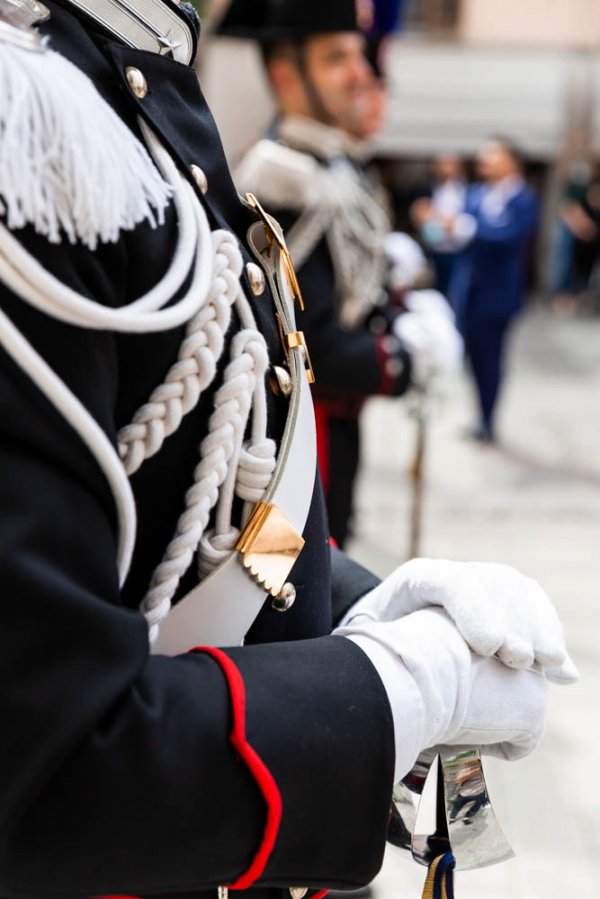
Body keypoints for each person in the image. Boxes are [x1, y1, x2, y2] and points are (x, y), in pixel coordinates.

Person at [0, 3, 576, 899]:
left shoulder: (138, 79)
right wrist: (386, 692)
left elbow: (208, 509)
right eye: (340, 55)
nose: (364, 76)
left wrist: (352, 600)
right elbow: (41, 765)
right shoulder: (32, 112)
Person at [224, 0, 461, 547]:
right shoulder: (280, 177)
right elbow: (304, 346)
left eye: (359, 55)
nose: (361, 73)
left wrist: (398, 309)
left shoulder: (333, 169)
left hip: (336, 431)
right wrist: (399, 361)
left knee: (332, 564)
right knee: (289, 583)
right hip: (291, 443)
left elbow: (351, 294)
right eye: (338, 58)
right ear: (287, 74)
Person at [449, 137, 539, 443]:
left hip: (499, 295)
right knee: (472, 357)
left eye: (492, 155)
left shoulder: (523, 199)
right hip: (470, 291)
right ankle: (480, 416)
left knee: (491, 359)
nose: (484, 161)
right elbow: (461, 238)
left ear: (511, 161)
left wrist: (463, 228)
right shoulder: (475, 195)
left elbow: (507, 238)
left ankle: (488, 419)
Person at [409, 154, 469, 301]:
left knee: (457, 293)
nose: (445, 169)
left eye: (449, 164)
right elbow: (416, 215)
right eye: (441, 164)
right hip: (434, 248)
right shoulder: (425, 188)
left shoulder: (468, 191)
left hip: (459, 250)